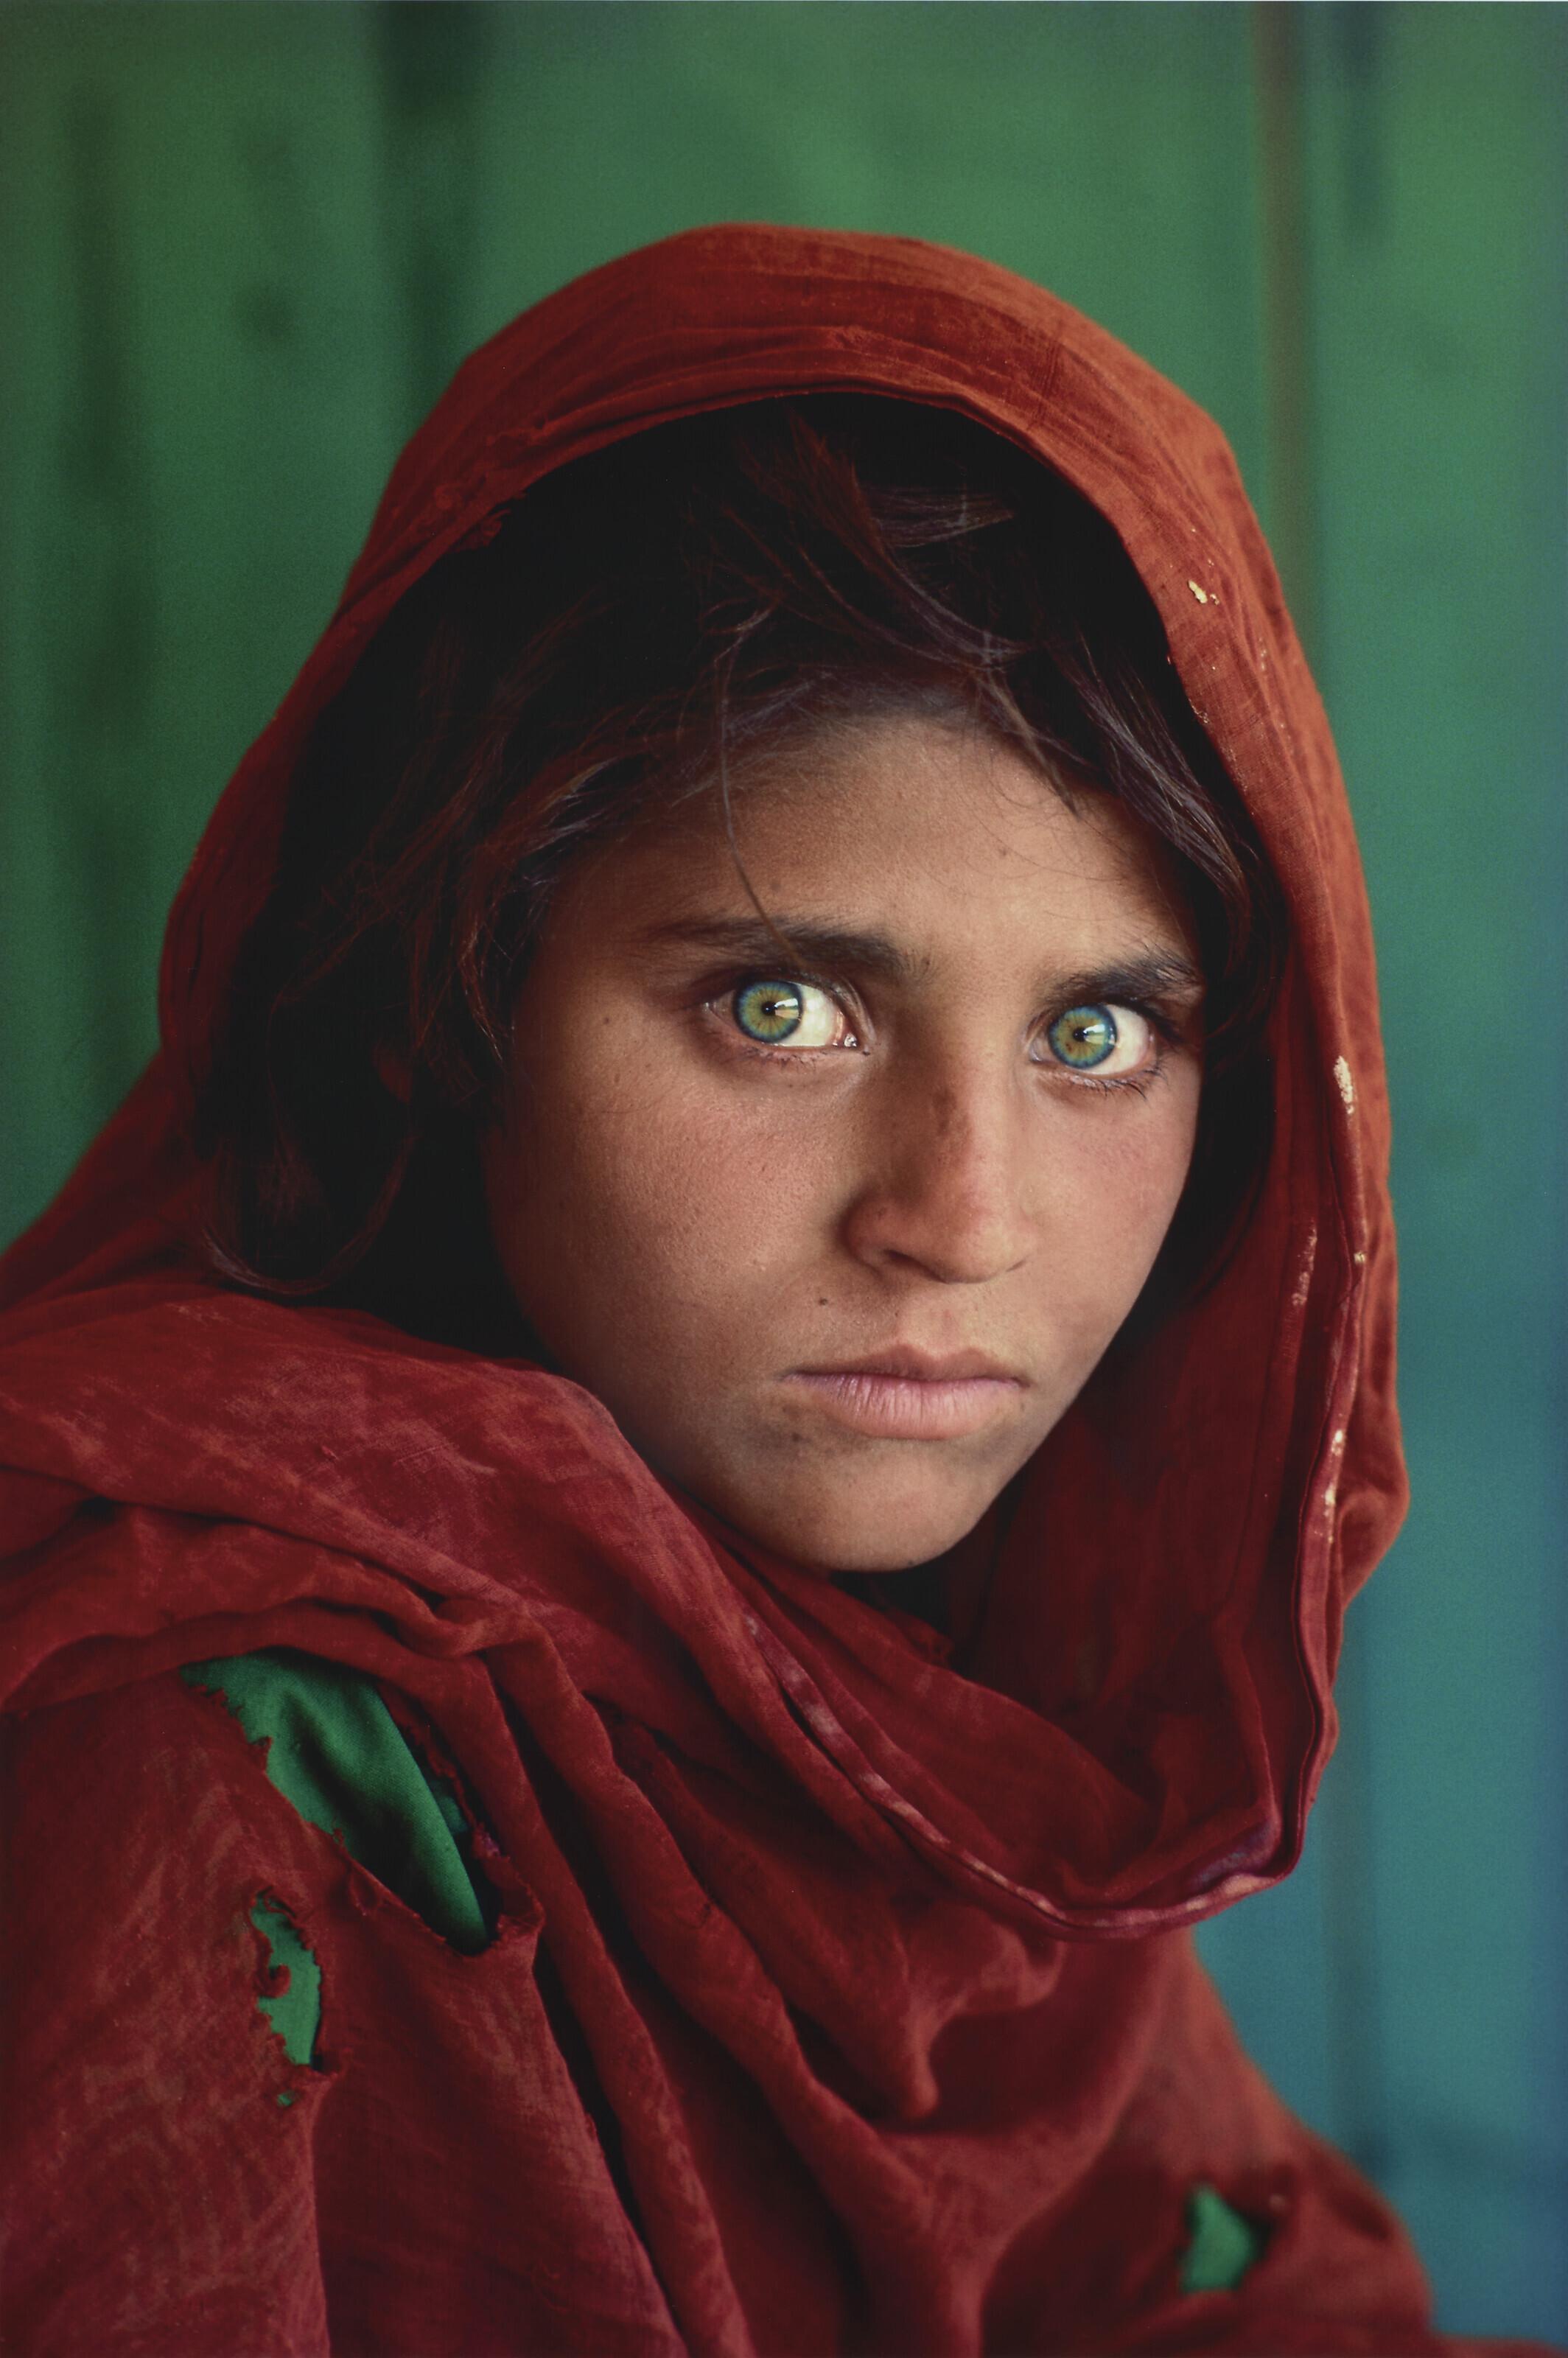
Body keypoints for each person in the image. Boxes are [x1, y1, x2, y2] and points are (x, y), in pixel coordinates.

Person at [0, 225, 1549, 2358]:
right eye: (782, 1004)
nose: (964, 1217)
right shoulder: (183, 1748)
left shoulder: (954, 1743)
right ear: (444, 1004)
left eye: (1099, 1036)